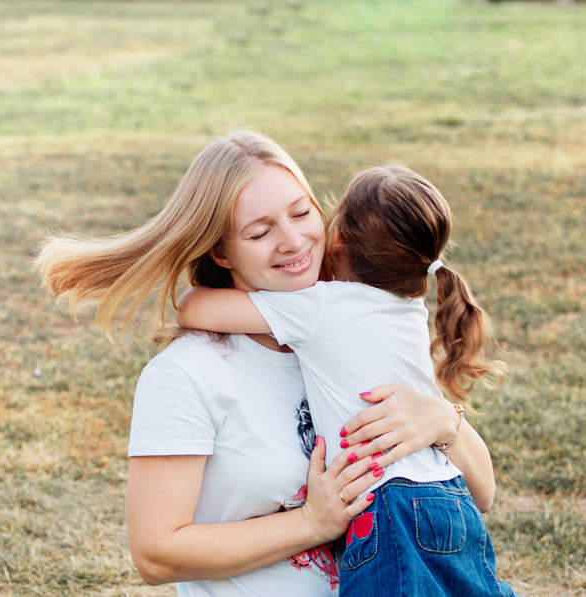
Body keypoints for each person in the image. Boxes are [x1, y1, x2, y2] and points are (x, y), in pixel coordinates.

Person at [35, 130, 501, 597]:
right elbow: (155, 554)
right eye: (260, 232)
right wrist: (312, 522)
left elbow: (482, 496)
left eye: (302, 213)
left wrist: (445, 421)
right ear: (220, 251)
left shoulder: (346, 336)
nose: (294, 241)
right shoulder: (188, 373)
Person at [176, 163, 514, 596]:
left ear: (336, 237)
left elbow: (193, 309)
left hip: (385, 505)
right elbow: (484, 495)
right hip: (448, 496)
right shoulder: (411, 308)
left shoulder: (321, 307)